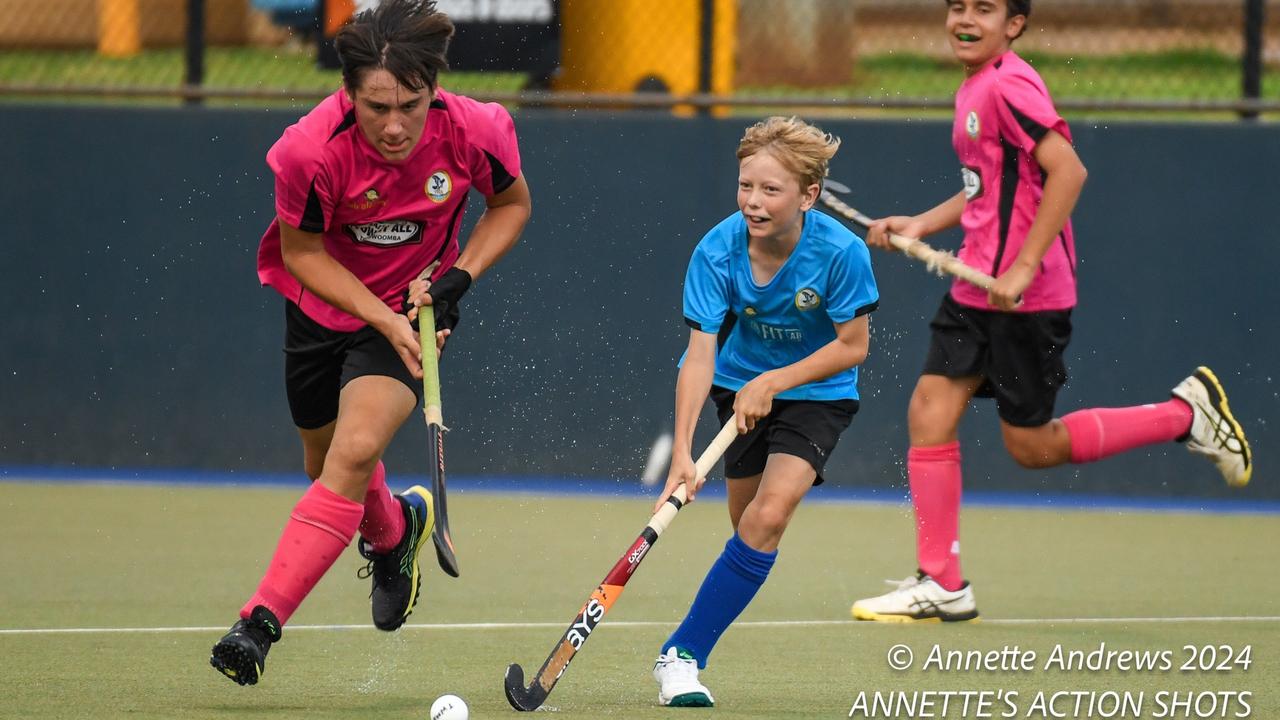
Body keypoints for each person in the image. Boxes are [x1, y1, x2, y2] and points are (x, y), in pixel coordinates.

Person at [849, 0, 1251, 624]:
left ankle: (1182, 414)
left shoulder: (1009, 85)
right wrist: (922, 223)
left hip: (1025, 296)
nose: (966, 18)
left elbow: (1068, 170)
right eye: (958, 6)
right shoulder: (974, 87)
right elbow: (990, 183)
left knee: (1033, 448)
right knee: (930, 409)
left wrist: (1025, 267)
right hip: (975, 287)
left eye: (985, 9)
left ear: (1014, 25)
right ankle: (943, 581)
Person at [209, 0, 531, 685]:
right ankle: (394, 533)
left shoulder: (477, 129)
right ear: (347, 92)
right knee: (325, 464)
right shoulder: (309, 150)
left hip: (411, 317)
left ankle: (259, 623)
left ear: (433, 90)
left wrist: (457, 280)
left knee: (355, 452)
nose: (394, 125)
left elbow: (511, 205)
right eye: (375, 106)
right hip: (322, 312)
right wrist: (377, 317)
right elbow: (300, 252)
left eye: (410, 105)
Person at [650, 116, 880, 706]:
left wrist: (776, 380)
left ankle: (681, 656)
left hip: (819, 394)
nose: (753, 202)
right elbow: (699, 355)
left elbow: (852, 345)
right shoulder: (716, 250)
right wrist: (682, 449)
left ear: (808, 195)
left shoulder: (841, 253)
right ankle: (698, 636)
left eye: (770, 190)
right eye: (745, 186)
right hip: (737, 390)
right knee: (747, 525)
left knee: (770, 516)